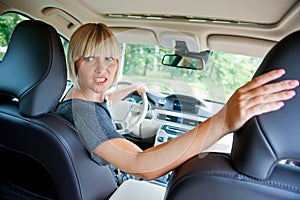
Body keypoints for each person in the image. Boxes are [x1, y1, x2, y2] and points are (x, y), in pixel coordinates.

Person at [56, 23, 299, 182]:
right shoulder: (86, 115)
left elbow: (106, 99)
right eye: (90, 58)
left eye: (109, 58)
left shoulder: (74, 96)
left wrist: (132, 89)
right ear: (75, 61)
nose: (102, 68)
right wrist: (224, 119)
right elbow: (141, 165)